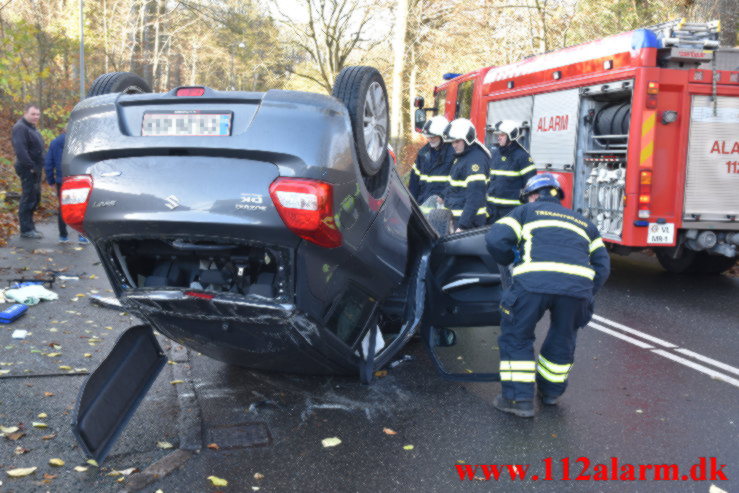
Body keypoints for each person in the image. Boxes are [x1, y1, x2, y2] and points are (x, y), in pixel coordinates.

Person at [485, 173, 610, 418]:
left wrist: (510, 261)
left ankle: (517, 400)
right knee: (563, 338)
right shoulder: (584, 223)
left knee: (517, 337)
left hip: (532, 284)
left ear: (532, 195)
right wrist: (585, 291)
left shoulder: (524, 213)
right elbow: (603, 266)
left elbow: (495, 239)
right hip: (576, 291)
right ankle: (551, 393)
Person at [442, 118, 490, 231]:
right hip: (457, 220)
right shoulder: (463, 157)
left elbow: (475, 197)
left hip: (469, 224)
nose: (453, 145)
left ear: (468, 138)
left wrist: (463, 226)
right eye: (452, 142)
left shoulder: (475, 160)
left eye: (457, 141)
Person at [486, 120, 537, 223]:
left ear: (511, 136)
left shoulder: (522, 157)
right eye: (498, 135)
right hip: (491, 211)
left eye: (502, 135)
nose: (498, 137)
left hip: (511, 212)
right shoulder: (495, 154)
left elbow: (531, 186)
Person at [11, 104, 45, 239]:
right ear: (25, 113)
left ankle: (30, 227)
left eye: (37, 114)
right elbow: (20, 150)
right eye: (33, 114)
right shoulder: (20, 128)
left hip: (35, 168)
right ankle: (26, 230)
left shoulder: (31, 128)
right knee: (28, 197)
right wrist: (31, 167)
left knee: (34, 197)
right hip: (27, 168)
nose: (36, 117)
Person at [408, 116, 454, 207]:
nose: (430, 139)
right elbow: (414, 183)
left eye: (433, 137)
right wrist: (411, 204)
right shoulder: (423, 154)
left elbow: (457, 182)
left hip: (443, 208)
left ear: (443, 136)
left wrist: (443, 196)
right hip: (423, 206)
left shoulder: (453, 154)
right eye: (428, 137)